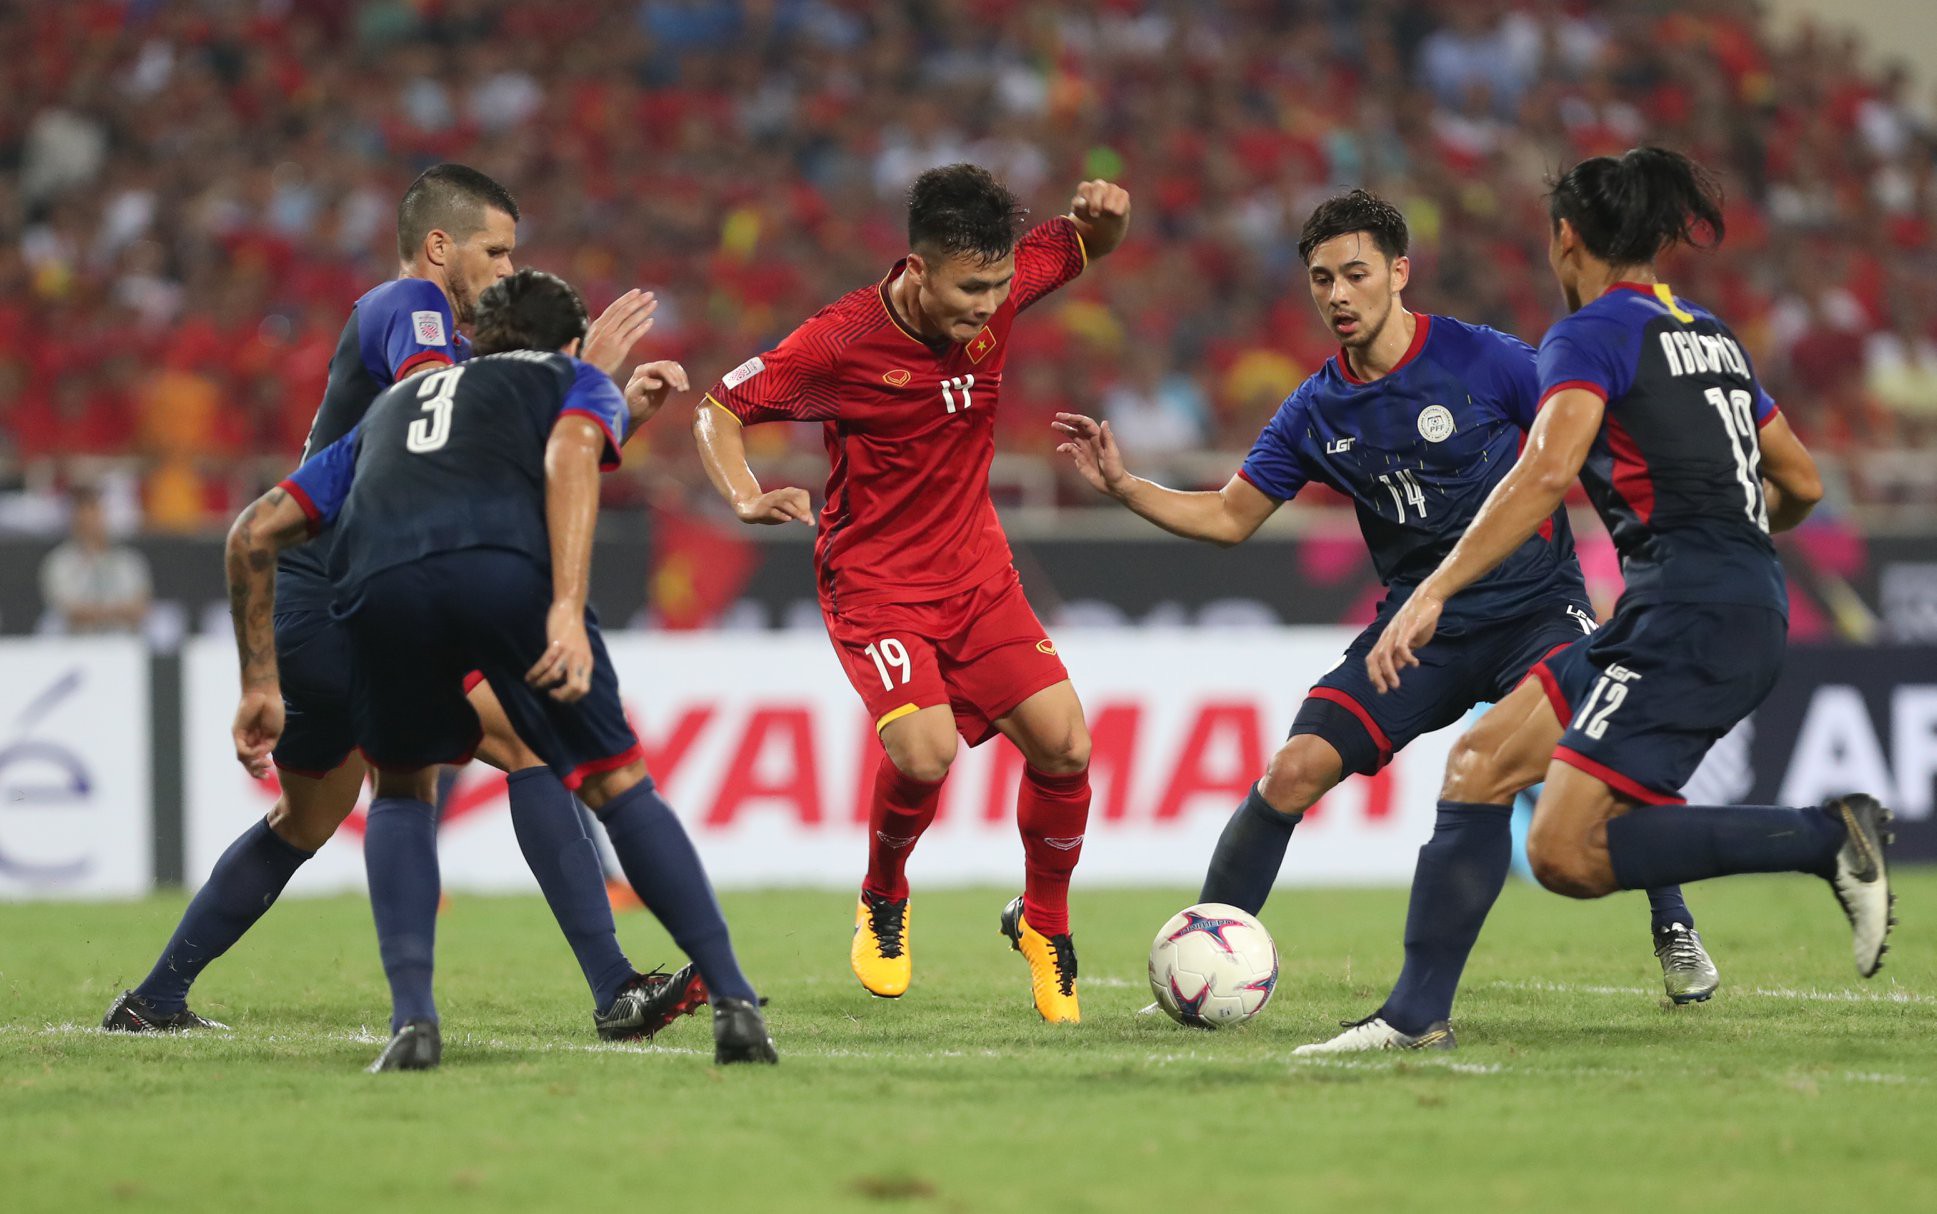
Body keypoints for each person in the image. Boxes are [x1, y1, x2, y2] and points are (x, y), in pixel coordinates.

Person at [1055, 188, 1718, 1020]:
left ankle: (1674, 923)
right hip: (1420, 632)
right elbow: (1227, 517)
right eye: (1321, 279)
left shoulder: (1490, 362)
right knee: (1290, 772)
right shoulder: (1314, 410)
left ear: (1399, 273)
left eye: (1355, 274)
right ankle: (1204, 954)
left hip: (1536, 613)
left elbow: (1582, 446)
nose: (1336, 294)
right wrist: (1124, 486)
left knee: (1586, 757)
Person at [1301, 147, 1892, 1054]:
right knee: (1481, 764)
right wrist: (1723, 531)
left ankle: (1825, 836)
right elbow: (1801, 484)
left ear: (1565, 238)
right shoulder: (1709, 332)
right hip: (1704, 602)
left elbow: (1544, 473)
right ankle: (1412, 1016)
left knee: (1565, 856)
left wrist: (1433, 592)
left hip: (1689, 613)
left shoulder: (1589, 333)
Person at [101, 166, 692, 1049]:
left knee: (306, 817)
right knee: (523, 741)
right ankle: (611, 988)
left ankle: (153, 1000)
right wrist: (583, 374)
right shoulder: (408, 302)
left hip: (325, 604)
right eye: (495, 251)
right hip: (339, 596)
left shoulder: (447, 342)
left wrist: (615, 415)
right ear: (440, 246)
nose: (505, 269)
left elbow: (502, 459)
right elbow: (452, 418)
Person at [223, 268, 775, 1068]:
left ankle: (413, 1024)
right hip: (500, 576)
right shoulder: (569, 378)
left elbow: (251, 534)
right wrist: (565, 607)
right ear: (570, 344)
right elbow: (574, 452)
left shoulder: (391, 408)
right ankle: (732, 1001)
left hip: (379, 589)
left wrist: (258, 680)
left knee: (405, 791)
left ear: (475, 340)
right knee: (617, 783)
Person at [693, 164, 1131, 1023]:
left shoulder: (999, 286)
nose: (989, 304)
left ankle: (1043, 923)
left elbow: (1086, 247)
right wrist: (743, 493)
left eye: (1001, 285)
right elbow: (719, 408)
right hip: (876, 580)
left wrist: (1105, 219)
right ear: (917, 269)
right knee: (923, 754)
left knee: (1066, 745)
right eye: (971, 288)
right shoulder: (838, 340)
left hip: (975, 569)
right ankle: (883, 896)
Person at [39, 484, 150, 634]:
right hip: (76, 645)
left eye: (96, 513)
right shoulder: (59, 562)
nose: (91, 522)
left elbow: (139, 608)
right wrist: (115, 611)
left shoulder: (128, 560)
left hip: (123, 642)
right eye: (84, 515)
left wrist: (101, 613)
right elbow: (70, 611)